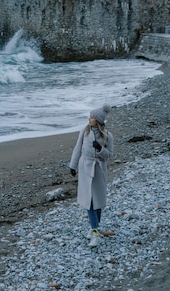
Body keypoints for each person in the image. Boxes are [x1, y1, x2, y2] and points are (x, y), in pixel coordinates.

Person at [69, 103, 114, 248]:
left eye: (92, 117)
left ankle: (94, 229)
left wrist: (100, 149)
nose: (90, 119)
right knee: (89, 202)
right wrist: (73, 165)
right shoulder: (85, 131)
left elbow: (110, 155)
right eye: (90, 116)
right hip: (85, 168)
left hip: (99, 169)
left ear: (99, 120)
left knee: (98, 202)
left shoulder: (108, 135)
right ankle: (95, 231)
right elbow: (77, 148)